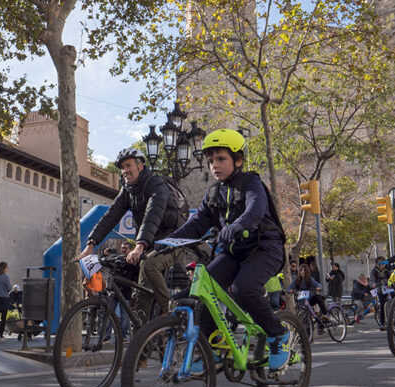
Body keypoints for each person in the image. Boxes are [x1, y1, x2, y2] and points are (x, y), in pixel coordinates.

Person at [166, 129, 291, 371]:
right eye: (211, 160)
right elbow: (196, 224)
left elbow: (255, 210)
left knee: (244, 289)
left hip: (265, 248)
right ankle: (213, 348)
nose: (215, 165)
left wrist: (236, 225)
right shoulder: (213, 193)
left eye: (221, 159)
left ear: (238, 160)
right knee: (204, 289)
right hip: (235, 252)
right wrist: (166, 241)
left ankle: (278, 336)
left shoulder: (250, 182)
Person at [78, 147, 190, 324]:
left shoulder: (156, 184)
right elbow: (110, 216)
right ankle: (144, 345)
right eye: (122, 167)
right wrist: (90, 245)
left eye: (128, 165)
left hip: (173, 240)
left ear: (140, 166)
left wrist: (139, 245)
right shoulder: (128, 190)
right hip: (151, 245)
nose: (124, 171)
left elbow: (152, 216)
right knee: (142, 300)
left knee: (149, 265)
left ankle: (170, 311)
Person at [369, 257, 390, 330]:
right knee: (382, 304)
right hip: (380, 290)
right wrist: (373, 284)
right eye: (381, 263)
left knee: (394, 301)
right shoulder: (374, 271)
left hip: (388, 289)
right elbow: (371, 280)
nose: (383, 265)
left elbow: (391, 277)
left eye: (384, 263)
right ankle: (382, 322)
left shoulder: (387, 270)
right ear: (377, 264)